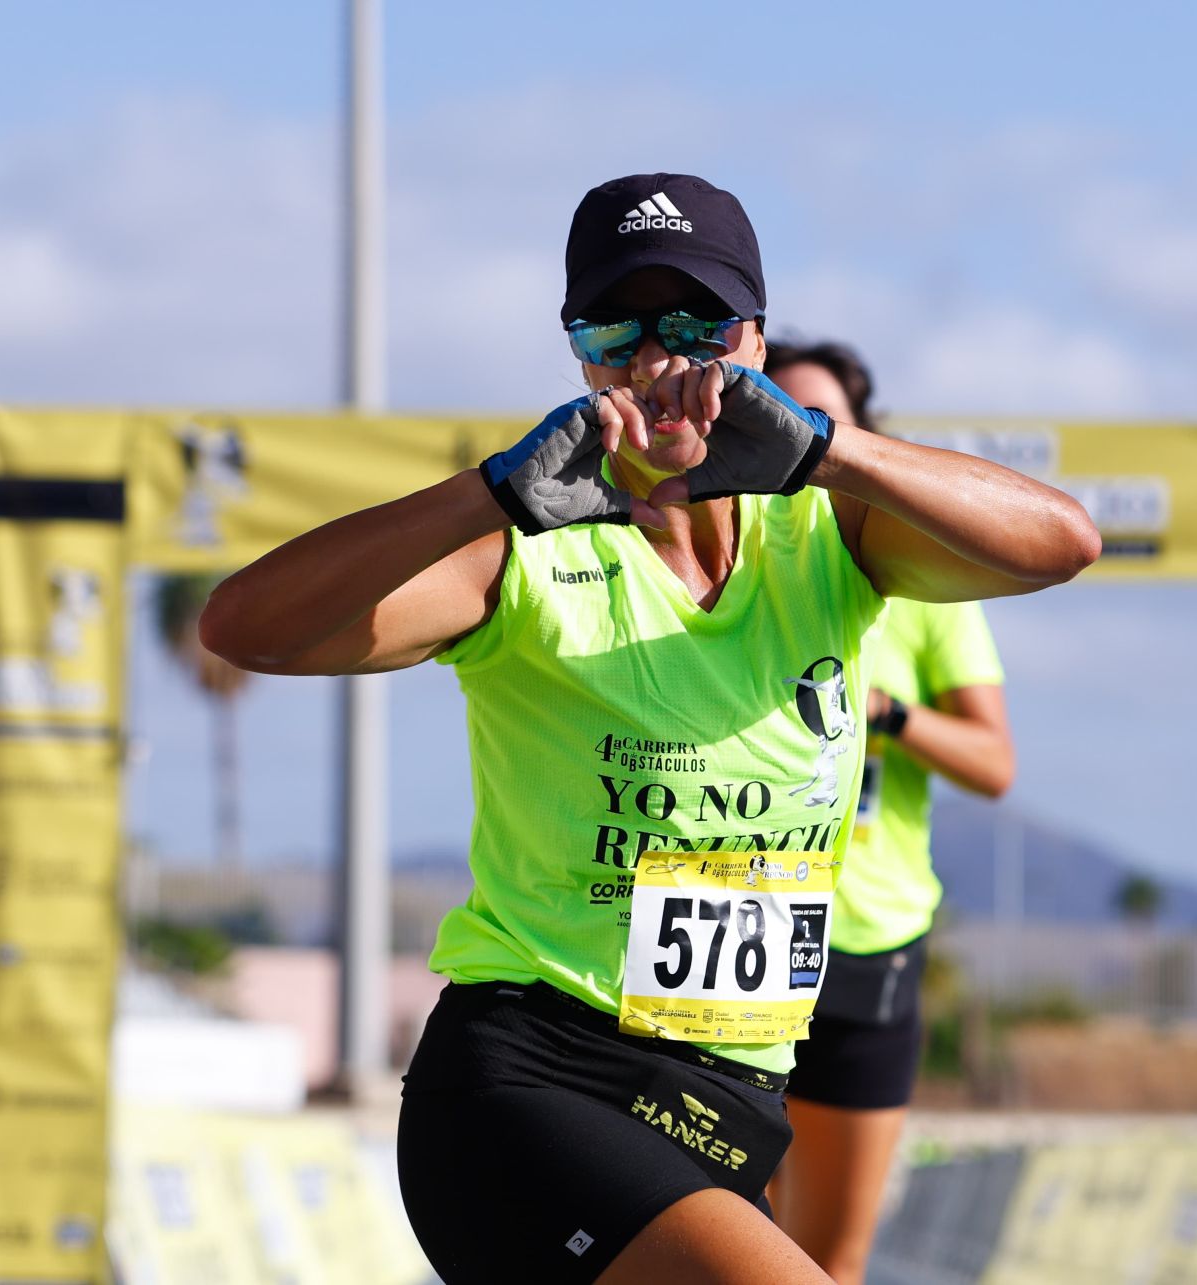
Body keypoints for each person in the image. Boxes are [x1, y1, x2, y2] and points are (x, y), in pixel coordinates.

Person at [200, 172, 1100, 1284]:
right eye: (616, 329)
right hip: (536, 1089)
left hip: (727, 1101)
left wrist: (825, 449)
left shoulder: (830, 537)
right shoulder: (525, 548)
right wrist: (488, 492)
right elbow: (247, 627)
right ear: (581, 355)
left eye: (697, 328)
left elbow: (1063, 542)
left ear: (756, 342)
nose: (659, 363)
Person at [763, 342, 1015, 1283]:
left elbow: (995, 763)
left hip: (865, 943)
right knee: (717, 1246)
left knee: (827, 1261)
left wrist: (890, 716)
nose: (785, 438)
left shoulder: (912, 578)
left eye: (818, 423)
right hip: (725, 929)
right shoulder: (701, 560)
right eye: (768, 412)